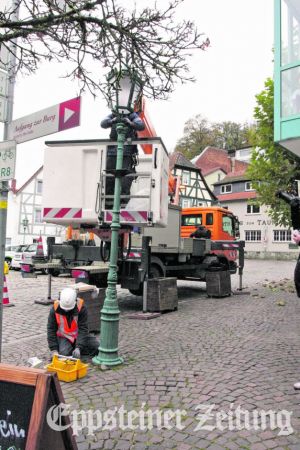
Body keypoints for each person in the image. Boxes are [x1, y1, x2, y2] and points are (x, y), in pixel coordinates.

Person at [101, 111, 145, 209]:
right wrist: (113, 121)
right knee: (109, 178)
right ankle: (109, 204)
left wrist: (130, 122)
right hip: (112, 153)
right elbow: (103, 123)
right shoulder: (113, 115)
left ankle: (123, 204)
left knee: (125, 179)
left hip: (127, 153)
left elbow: (141, 125)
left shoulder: (132, 115)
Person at [47, 287, 99, 358]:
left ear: (75, 302)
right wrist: (54, 350)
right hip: (63, 336)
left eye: (69, 309)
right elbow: (51, 330)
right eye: (65, 309)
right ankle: (70, 348)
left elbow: (83, 329)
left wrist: (79, 347)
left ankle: (76, 348)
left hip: (78, 335)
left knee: (97, 347)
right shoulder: (54, 309)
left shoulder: (81, 308)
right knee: (64, 353)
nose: (66, 311)